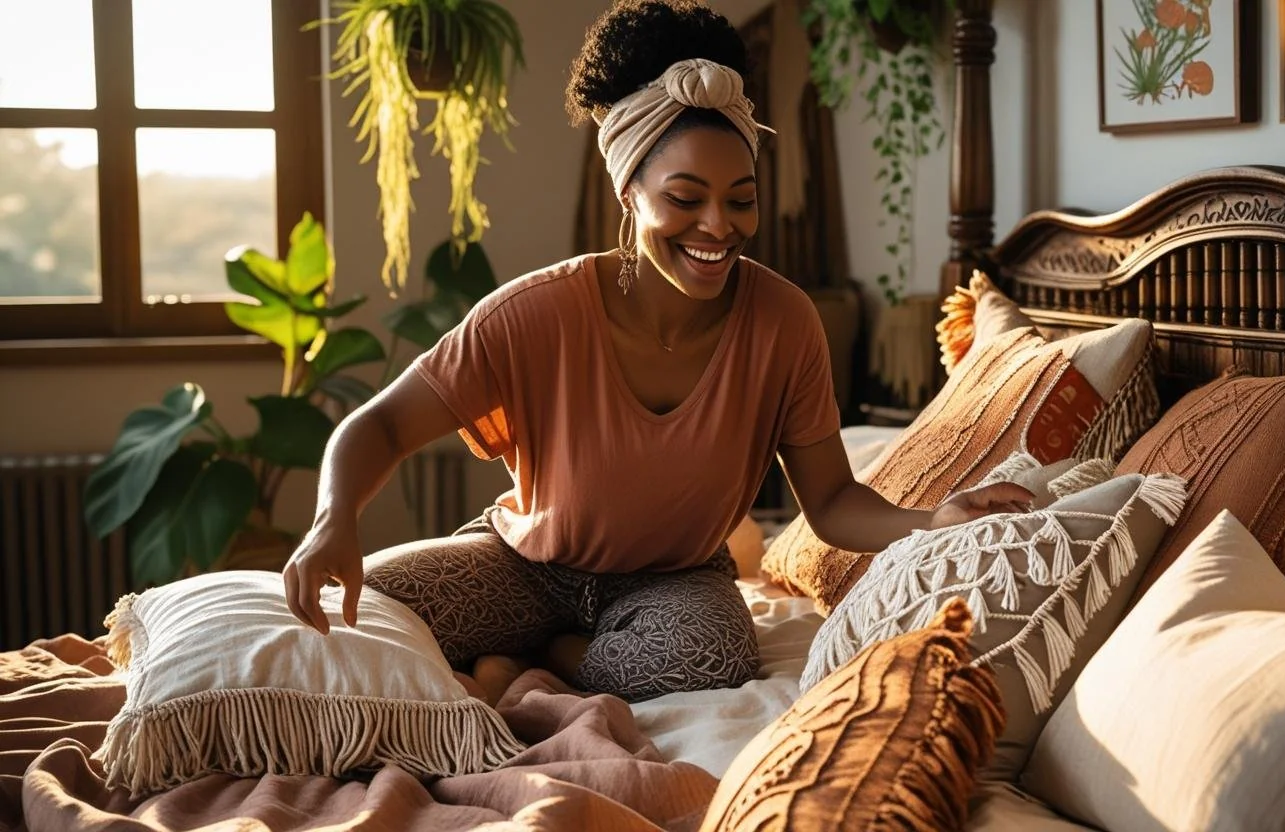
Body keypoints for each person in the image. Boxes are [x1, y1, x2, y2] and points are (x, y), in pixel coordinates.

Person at [281, 0, 1032, 704]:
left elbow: (832, 502)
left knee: (710, 655)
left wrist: (931, 520)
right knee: (368, 610)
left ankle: (555, 658)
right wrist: (333, 518)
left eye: (741, 198)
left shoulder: (784, 322)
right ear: (630, 193)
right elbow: (377, 426)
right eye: (685, 197)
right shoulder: (531, 313)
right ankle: (561, 643)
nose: (718, 225)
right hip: (526, 567)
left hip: (675, 582)